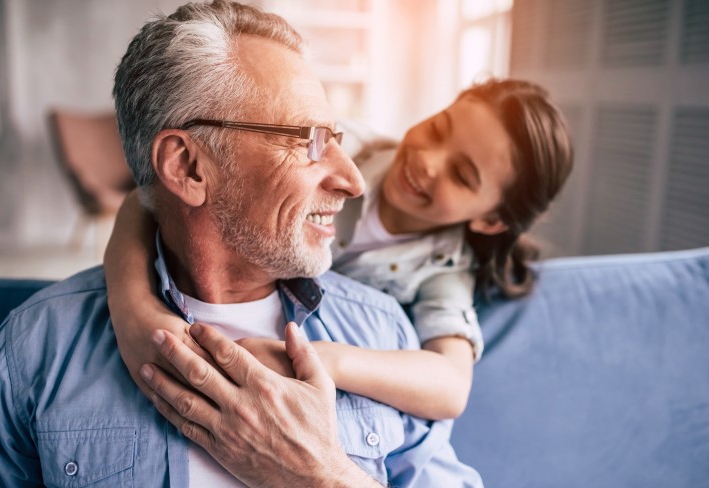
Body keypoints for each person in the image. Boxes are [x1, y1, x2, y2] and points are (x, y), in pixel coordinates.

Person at [0, 1, 483, 487]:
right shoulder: (37, 350)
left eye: (335, 137)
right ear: (187, 167)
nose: (353, 182)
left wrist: (319, 475)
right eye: (308, 140)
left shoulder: (382, 333)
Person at [105, 78, 574, 420]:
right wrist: (134, 311)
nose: (428, 161)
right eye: (438, 128)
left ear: (490, 220)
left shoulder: (444, 270)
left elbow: (450, 387)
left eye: (462, 175)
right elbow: (147, 198)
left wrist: (323, 359)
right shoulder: (344, 144)